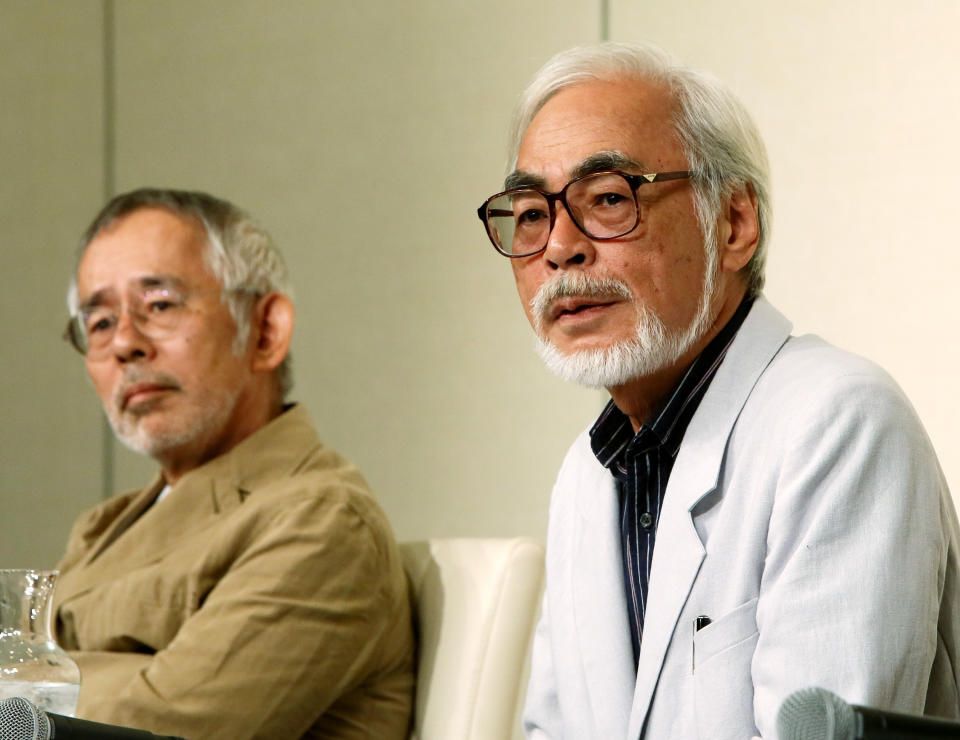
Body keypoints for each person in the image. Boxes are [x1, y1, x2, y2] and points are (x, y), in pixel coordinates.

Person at [476, 42, 960, 739]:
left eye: (608, 199)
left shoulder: (839, 422)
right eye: (529, 213)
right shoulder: (587, 474)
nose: (559, 247)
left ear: (733, 224)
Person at [54, 188, 414, 739]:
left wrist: (37, 700)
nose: (125, 342)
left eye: (159, 305)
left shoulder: (321, 521)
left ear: (265, 332)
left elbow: (150, 734)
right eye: (99, 322)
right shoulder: (102, 527)